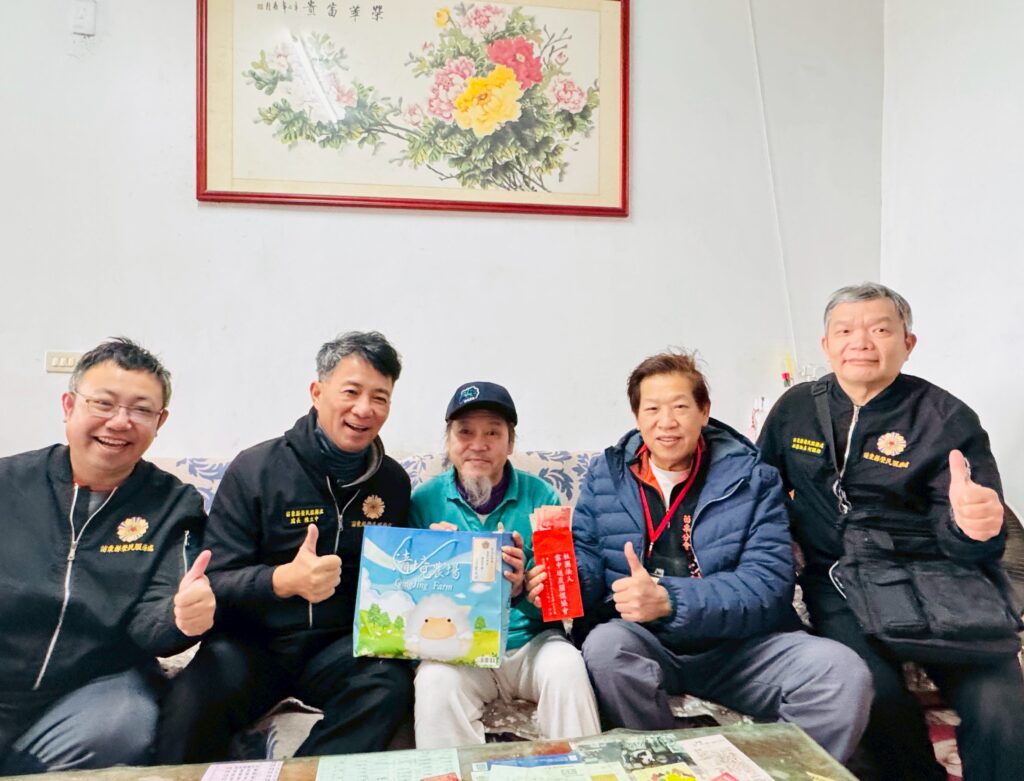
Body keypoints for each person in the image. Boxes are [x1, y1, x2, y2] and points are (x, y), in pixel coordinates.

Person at [542, 351, 872, 763]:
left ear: (704, 411)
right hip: (646, 642)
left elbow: (768, 585)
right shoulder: (606, 476)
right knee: (606, 648)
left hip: (742, 647)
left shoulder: (752, 478)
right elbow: (588, 560)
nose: (667, 422)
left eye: (681, 407)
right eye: (653, 409)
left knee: (841, 672)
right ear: (637, 416)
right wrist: (559, 580)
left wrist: (670, 599)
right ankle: (665, 769)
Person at [757, 283, 1024, 781]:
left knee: (1000, 703)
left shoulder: (946, 419)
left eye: (880, 329)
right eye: (845, 331)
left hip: (941, 579)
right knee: (869, 690)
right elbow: (759, 487)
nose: (860, 342)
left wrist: (974, 527)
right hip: (839, 581)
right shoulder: (795, 409)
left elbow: (974, 531)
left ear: (908, 343)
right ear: (826, 346)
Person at [158, 331, 412, 762]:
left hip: (340, 646)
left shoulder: (392, 482)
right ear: (317, 392)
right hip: (253, 645)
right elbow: (216, 580)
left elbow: (401, 577)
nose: (364, 409)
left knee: (388, 685)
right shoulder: (255, 469)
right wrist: (282, 580)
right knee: (189, 703)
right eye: (351, 392)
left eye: (380, 397)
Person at [0, 338, 213, 774]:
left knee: (126, 724)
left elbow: (155, 619)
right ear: (69, 406)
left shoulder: (174, 504)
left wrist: (181, 618)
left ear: (160, 421)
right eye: (104, 403)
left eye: (141, 410)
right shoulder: (8, 483)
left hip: (93, 688)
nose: (119, 422)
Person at [410, 381, 600, 748]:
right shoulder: (424, 501)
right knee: (434, 681)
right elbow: (410, 604)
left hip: (531, 643)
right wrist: (434, 564)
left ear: (510, 443)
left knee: (567, 667)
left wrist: (521, 589)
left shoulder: (541, 495)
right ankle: (449, 773)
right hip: (458, 651)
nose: (478, 444)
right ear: (449, 441)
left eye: (493, 433)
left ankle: (582, 769)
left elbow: (557, 603)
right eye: (465, 432)